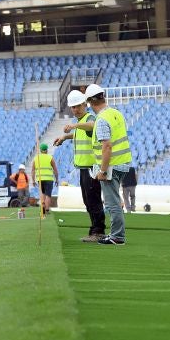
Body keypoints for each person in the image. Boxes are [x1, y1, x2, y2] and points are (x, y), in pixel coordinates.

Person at [54, 89, 105, 242]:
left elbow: (91, 126)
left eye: (77, 106)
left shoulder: (89, 118)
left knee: (93, 200)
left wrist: (74, 127)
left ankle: (98, 231)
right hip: (84, 168)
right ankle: (95, 229)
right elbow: (79, 132)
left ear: (85, 104)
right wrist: (65, 137)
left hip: (91, 168)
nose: (75, 110)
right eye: (73, 107)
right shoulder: (80, 123)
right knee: (88, 200)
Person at [85, 83, 131, 245]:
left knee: (112, 203)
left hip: (111, 166)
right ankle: (115, 233)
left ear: (90, 102)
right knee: (114, 201)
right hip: (123, 162)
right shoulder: (116, 113)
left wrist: (103, 170)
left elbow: (107, 146)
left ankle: (117, 236)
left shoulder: (102, 119)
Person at [32, 143, 58, 215]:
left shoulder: (36, 158)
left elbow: (33, 170)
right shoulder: (50, 157)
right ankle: (47, 210)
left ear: (40, 150)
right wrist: (57, 179)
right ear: (47, 150)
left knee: (42, 193)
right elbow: (55, 169)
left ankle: (42, 206)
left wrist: (33, 180)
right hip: (49, 178)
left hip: (40, 179)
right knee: (48, 195)